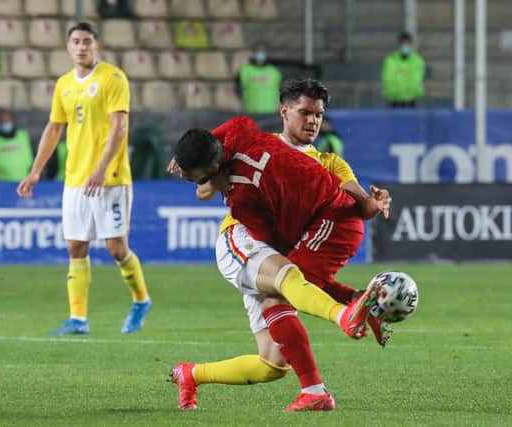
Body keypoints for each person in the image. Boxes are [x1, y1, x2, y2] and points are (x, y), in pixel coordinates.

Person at [167, 80, 392, 412]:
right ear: (284, 112)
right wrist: (215, 177)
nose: (312, 121)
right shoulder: (255, 142)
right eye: (305, 113)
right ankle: (338, 333)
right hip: (243, 241)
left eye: (318, 115)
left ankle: (190, 374)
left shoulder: (329, 162)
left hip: (273, 251)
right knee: (286, 284)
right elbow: (204, 188)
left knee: (273, 364)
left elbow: (360, 205)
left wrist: (375, 202)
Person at [17, 22, 152, 335]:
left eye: (87, 41)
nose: (81, 47)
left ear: (96, 45)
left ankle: (141, 299)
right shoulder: (64, 84)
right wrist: (36, 171)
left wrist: (102, 166)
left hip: (111, 177)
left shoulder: (113, 78)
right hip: (75, 179)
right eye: (75, 41)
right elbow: (54, 129)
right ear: (68, 47)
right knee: (76, 247)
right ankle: (78, 319)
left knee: (116, 249)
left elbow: (119, 126)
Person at [0, 109, 33, 181]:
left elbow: (33, 155)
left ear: (13, 121)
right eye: (3, 121)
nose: (6, 123)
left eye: (8, 120)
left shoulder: (23, 136)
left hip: (24, 181)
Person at [381, 32, 425, 108]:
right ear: (399, 44)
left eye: (407, 43)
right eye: (403, 43)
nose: (405, 45)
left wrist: (408, 93)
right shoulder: (391, 60)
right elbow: (388, 79)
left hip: (411, 100)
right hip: (394, 100)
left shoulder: (417, 60)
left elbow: (416, 79)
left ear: (411, 44)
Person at [236, 43, 282, 113]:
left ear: (266, 53)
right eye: (257, 51)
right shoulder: (244, 70)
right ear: (252, 53)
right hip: (250, 112)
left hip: (271, 114)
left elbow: (281, 92)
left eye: (262, 51)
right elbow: (238, 91)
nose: (260, 54)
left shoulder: (274, 71)